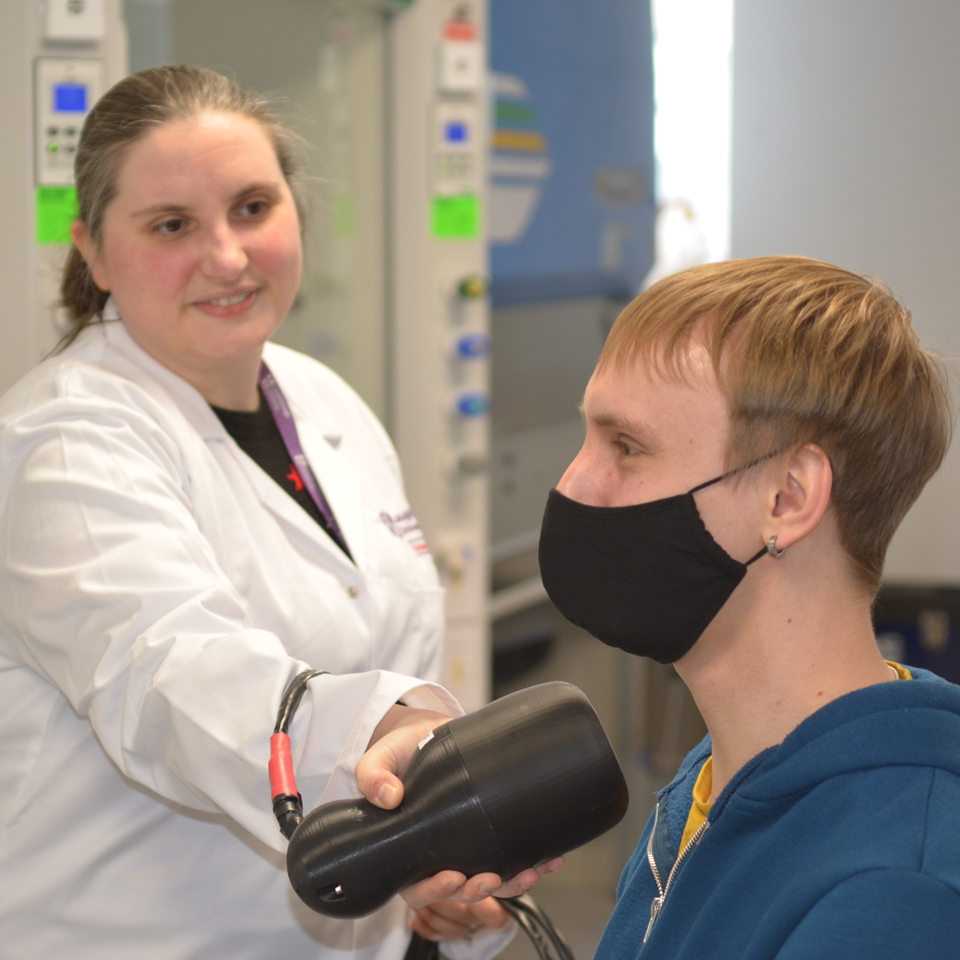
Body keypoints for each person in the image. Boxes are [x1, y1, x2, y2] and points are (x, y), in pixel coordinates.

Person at [0, 65, 557, 959]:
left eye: (253, 207)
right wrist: (388, 734)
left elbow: (391, 643)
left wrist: (448, 868)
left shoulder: (324, 402)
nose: (227, 256)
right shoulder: (67, 442)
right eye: (171, 225)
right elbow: (172, 672)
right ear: (93, 252)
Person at [538, 256, 960, 959]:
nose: (575, 484)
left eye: (627, 447)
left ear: (788, 499)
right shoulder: (721, 779)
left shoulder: (892, 890)